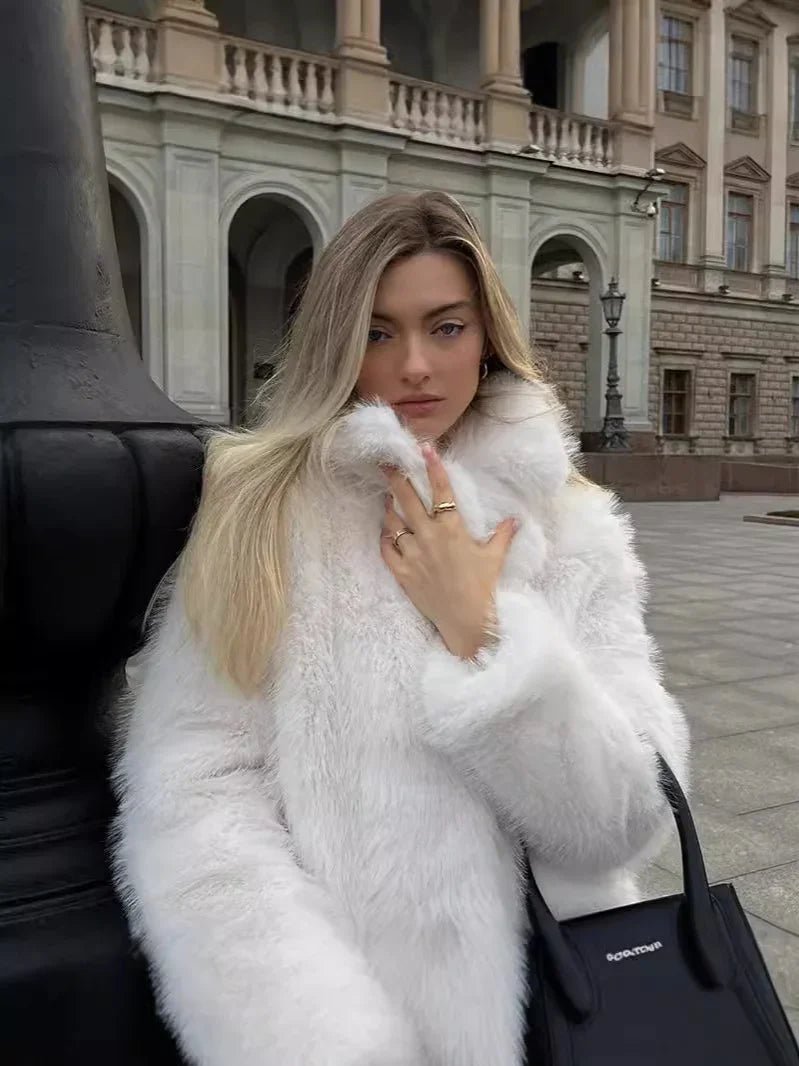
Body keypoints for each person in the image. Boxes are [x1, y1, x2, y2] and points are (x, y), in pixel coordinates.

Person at [112, 191, 689, 1066]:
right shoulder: (265, 516)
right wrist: (320, 1034)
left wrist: (483, 632)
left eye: (445, 328)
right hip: (363, 1020)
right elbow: (194, 796)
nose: (415, 365)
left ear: (486, 335)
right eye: (378, 333)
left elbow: (621, 822)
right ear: (337, 344)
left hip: (577, 1009)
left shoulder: (571, 522)